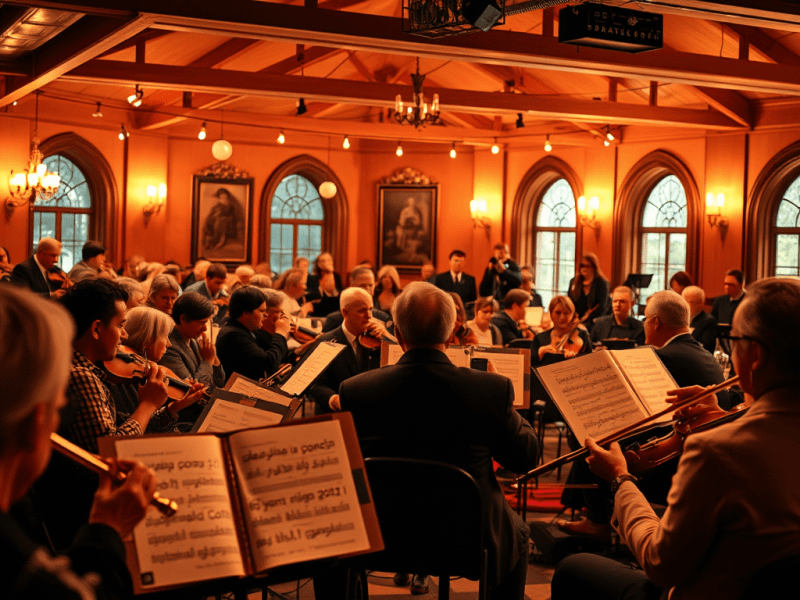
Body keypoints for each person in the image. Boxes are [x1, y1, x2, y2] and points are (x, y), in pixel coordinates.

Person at [552, 277, 800, 600]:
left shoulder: (716, 451)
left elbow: (660, 563)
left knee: (574, 568)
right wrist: (723, 416)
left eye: (735, 340)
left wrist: (621, 480)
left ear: (754, 355)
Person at [334, 282, 539, 600]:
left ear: (399, 334)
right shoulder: (490, 390)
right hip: (467, 538)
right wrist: (507, 404)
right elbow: (526, 458)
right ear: (450, 333)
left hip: (381, 534)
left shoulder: (356, 390)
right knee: (519, 534)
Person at [0, 284, 157, 599]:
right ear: (36, 423)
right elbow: (106, 451)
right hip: (76, 517)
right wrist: (106, 531)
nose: (125, 336)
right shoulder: (80, 375)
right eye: (59, 409)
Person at [557, 290, 727, 540]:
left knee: (589, 437)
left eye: (645, 319)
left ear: (656, 321)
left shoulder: (661, 356)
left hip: (672, 462)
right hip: (701, 453)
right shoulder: (704, 354)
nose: (644, 324)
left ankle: (597, 521)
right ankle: (593, 511)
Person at [112, 306, 205, 422]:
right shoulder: (125, 381)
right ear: (147, 341)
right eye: (165, 336)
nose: (169, 343)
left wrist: (175, 403)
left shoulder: (144, 371)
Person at [306, 287, 386, 414]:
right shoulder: (326, 341)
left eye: (371, 309)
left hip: (371, 414)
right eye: (362, 311)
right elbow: (315, 384)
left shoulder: (379, 341)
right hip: (338, 415)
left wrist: (387, 341)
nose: (369, 316)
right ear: (345, 313)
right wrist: (332, 398)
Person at [216, 286, 291, 382]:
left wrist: (298, 352)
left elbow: (272, 354)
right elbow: (269, 362)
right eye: (262, 311)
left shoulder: (245, 329)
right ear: (246, 313)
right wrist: (281, 333)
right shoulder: (233, 335)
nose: (266, 315)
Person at [159, 291, 225, 394]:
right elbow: (194, 392)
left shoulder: (193, 339)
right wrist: (208, 361)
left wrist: (213, 356)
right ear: (184, 319)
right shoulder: (168, 347)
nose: (205, 328)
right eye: (202, 323)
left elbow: (220, 382)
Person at [322, 267, 393, 333]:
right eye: (362, 286)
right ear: (352, 286)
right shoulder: (335, 319)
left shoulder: (384, 318)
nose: (368, 289)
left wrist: (385, 334)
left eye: (370, 285)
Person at [532, 295, 591, 364]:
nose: (562, 317)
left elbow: (590, 362)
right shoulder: (539, 338)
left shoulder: (582, 335)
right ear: (551, 314)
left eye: (566, 313)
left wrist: (575, 358)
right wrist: (540, 353)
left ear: (572, 315)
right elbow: (530, 366)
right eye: (558, 313)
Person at [568, 252, 610, 332]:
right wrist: (574, 318)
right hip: (575, 319)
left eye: (587, 266)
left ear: (594, 267)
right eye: (582, 266)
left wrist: (587, 318)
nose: (584, 268)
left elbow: (602, 306)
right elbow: (569, 303)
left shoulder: (602, 283)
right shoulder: (573, 282)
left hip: (594, 321)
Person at [305, 252, 344, 317]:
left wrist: (330, 273)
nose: (327, 262)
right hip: (318, 312)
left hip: (334, 310)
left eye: (329, 260)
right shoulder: (312, 278)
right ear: (318, 264)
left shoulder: (336, 276)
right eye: (323, 261)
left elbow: (340, 295)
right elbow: (312, 297)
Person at [683, 285, 717, 353]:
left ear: (701, 303)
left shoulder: (709, 322)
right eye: (685, 301)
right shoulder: (679, 319)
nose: (687, 305)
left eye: (692, 302)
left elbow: (706, 348)